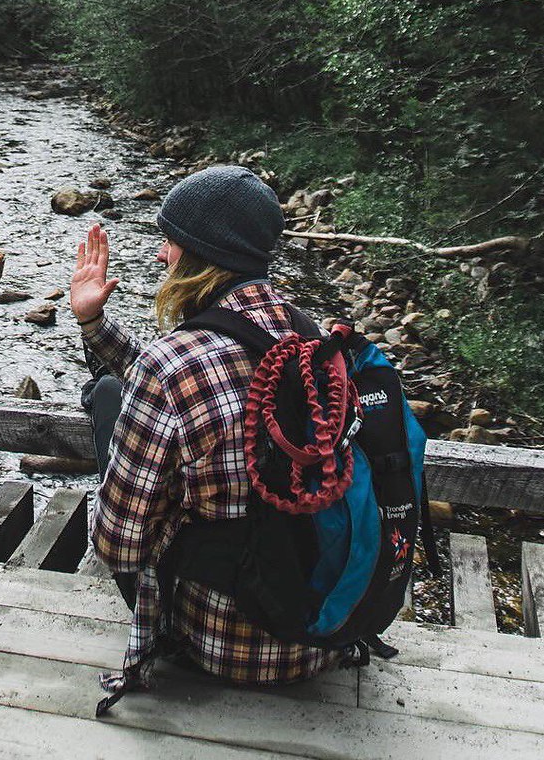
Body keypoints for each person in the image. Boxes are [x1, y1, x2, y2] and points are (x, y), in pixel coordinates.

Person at [70, 165, 342, 700]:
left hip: (218, 643)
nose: (158, 257)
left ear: (199, 257)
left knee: (105, 401)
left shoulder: (171, 365)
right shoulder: (311, 337)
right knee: (114, 392)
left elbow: (117, 546)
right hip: (321, 628)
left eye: (168, 243)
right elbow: (191, 383)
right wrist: (93, 322)